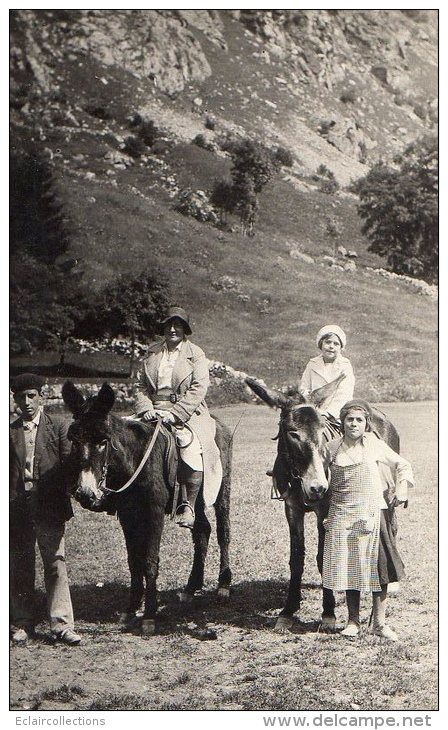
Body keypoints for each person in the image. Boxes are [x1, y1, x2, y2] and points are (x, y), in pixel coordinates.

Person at [322, 399, 414, 641]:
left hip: (373, 514)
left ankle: (379, 624)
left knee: (379, 571)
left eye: (359, 420)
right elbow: (317, 480)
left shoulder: (374, 444)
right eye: (349, 420)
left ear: (366, 424)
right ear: (342, 423)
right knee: (351, 569)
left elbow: (402, 464)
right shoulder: (330, 449)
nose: (354, 424)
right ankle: (352, 621)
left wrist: (402, 488)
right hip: (343, 516)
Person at [134, 306, 222, 529]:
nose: (173, 329)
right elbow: (140, 386)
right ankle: (123, 495)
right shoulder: (152, 353)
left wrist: (176, 413)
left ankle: (188, 505)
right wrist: (146, 409)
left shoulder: (196, 354)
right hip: (153, 410)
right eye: (169, 325)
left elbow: (199, 387)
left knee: (189, 446)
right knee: (122, 434)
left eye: (178, 325)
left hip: (187, 411)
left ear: (185, 329)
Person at [9, 373, 81, 645]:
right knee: (20, 565)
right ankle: (22, 622)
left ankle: (62, 624)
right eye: (20, 397)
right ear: (14, 399)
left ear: (41, 397)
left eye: (31, 396)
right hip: (17, 508)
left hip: (49, 506)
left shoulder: (59, 427)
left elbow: (68, 467)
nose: (26, 402)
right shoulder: (9, 430)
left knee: (55, 563)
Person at [300, 324, 355, 426]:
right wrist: (310, 405)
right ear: (321, 344)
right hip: (312, 412)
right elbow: (304, 387)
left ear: (340, 348)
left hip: (336, 414)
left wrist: (328, 413)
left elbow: (344, 395)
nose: (331, 346)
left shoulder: (345, 366)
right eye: (328, 342)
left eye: (336, 344)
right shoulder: (312, 364)